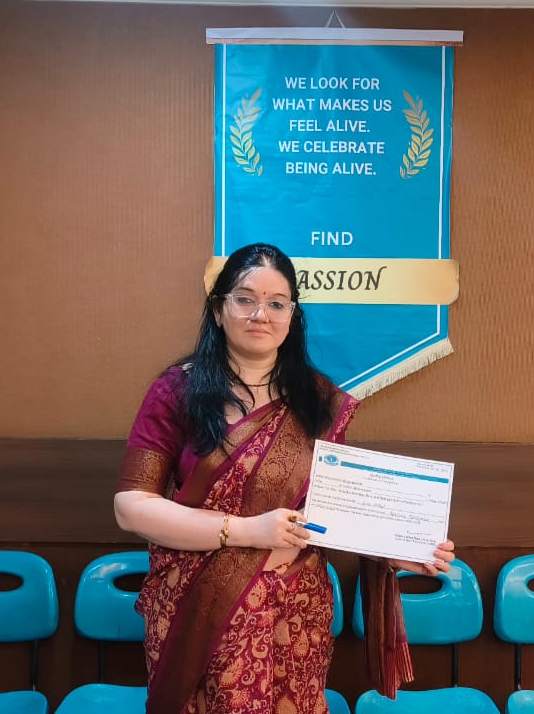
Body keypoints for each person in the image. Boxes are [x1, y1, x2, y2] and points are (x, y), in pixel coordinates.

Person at [114, 243, 457, 714]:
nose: (261, 314)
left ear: (292, 316)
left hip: (293, 613)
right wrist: (245, 530)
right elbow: (131, 505)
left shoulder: (319, 402)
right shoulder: (177, 391)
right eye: (245, 299)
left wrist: (394, 547)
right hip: (198, 606)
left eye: (277, 303)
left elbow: (334, 509)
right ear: (218, 309)